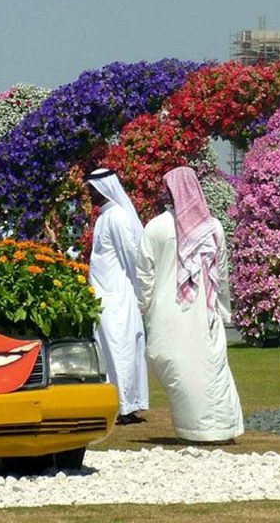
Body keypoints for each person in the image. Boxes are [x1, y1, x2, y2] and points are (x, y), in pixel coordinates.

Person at [137, 166, 243, 443]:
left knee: (194, 367)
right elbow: (223, 276)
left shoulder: (156, 227)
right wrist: (223, 307)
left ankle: (212, 430)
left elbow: (144, 275)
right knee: (199, 367)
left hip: (173, 312)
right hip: (197, 312)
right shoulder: (213, 228)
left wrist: (143, 304)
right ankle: (205, 428)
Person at [86, 168, 149, 426]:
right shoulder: (104, 217)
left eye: (91, 189)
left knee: (121, 348)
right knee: (109, 349)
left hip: (119, 295)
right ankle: (117, 403)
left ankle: (126, 406)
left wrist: (140, 292)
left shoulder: (117, 217)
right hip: (105, 295)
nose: (89, 195)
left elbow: (132, 257)